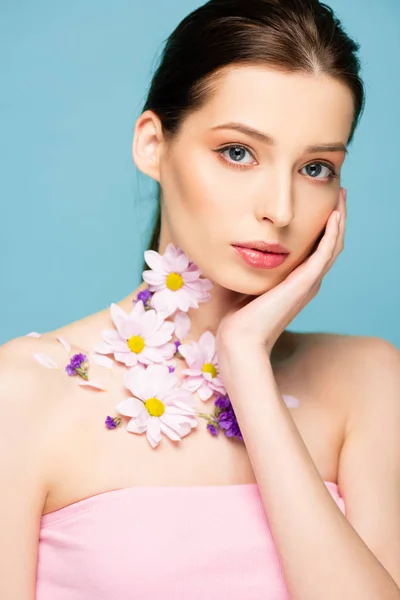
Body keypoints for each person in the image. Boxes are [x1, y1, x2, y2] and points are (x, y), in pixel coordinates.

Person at [1, 0, 399, 598]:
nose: (281, 210)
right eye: (238, 152)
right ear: (152, 145)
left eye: (315, 168)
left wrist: (245, 361)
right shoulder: (21, 393)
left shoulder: (370, 382)